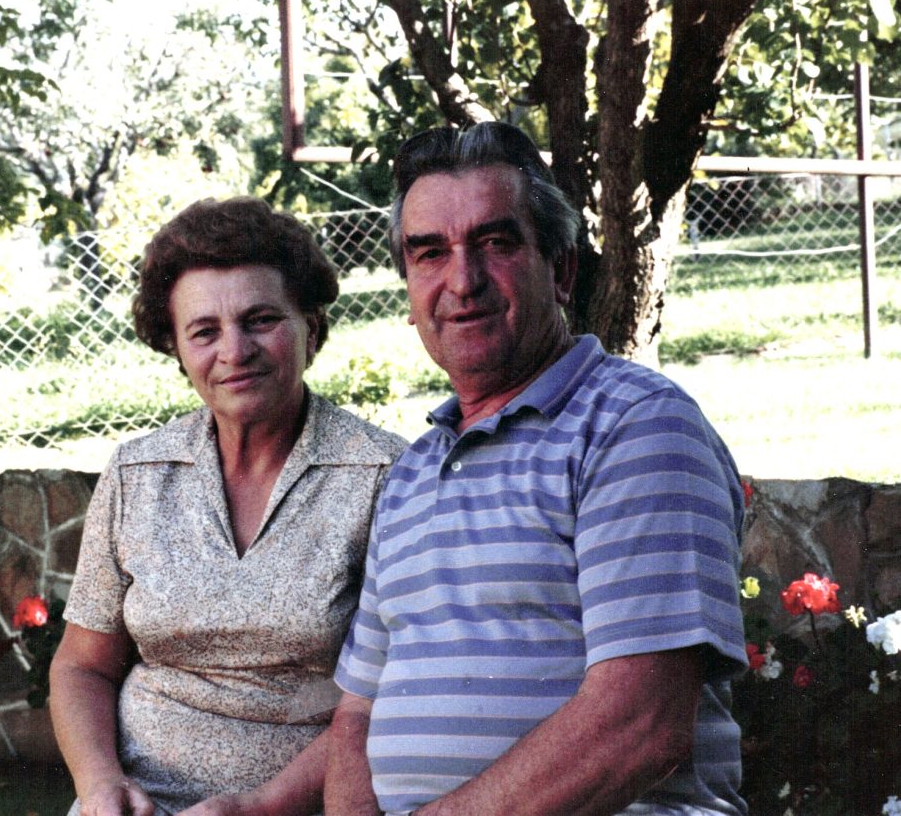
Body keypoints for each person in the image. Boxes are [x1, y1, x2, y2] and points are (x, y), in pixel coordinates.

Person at [325, 122, 748, 815]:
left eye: (495, 243)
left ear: (562, 269)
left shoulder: (636, 427)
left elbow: (639, 727)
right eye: (430, 254)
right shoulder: (410, 474)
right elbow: (355, 720)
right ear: (408, 290)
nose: (462, 281)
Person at [50, 196, 409, 816]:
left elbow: (396, 697)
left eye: (261, 319)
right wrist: (99, 785)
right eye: (205, 331)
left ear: (311, 326)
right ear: (177, 349)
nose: (234, 350)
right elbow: (82, 666)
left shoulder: (384, 477)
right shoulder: (139, 474)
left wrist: (258, 806)